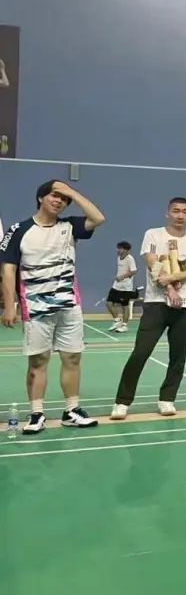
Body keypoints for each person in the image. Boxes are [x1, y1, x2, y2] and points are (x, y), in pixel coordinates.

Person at [0, 180, 105, 433]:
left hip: (69, 306)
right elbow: (8, 270)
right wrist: (9, 305)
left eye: (64, 199)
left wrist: (72, 192)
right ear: (40, 198)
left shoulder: (70, 226)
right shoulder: (19, 230)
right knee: (38, 361)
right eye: (54, 196)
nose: (59, 201)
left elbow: (98, 218)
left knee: (72, 358)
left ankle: (72, 411)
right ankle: (37, 414)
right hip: (35, 308)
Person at [111, 197, 186, 419]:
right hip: (156, 304)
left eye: (185, 212)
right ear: (167, 213)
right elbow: (152, 262)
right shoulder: (153, 235)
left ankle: (167, 399)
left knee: (178, 356)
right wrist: (170, 288)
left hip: (185, 305)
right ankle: (122, 402)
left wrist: (171, 278)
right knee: (140, 352)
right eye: (176, 211)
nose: (180, 215)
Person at [107, 241, 138, 332]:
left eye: (119, 248)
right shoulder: (118, 258)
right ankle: (117, 320)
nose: (117, 250)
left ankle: (124, 325)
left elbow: (134, 271)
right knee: (109, 303)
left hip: (126, 287)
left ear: (125, 250)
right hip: (116, 285)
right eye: (118, 248)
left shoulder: (130, 259)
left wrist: (122, 277)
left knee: (125, 306)